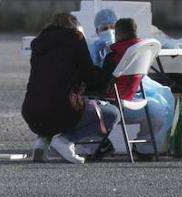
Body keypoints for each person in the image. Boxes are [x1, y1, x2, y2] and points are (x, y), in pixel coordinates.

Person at [22, 13, 118, 164]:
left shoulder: (38, 44)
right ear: (74, 27)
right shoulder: (75, 38)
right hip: (62, 109)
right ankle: (65, 141)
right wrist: (107, 72)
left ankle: (42, 141)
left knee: (52, 102)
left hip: (31, 113)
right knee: (112, 114)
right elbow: (89, 75)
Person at [99, 17, 174, 158]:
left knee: (83, 104)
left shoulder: (114, 55)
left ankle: (96, 147)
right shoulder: (144, 50)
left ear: (118, 35)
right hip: (138, 104)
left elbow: (104, 82)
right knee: (158, 111)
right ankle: (145, 148)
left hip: (115, 105)